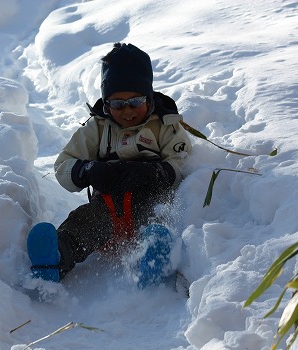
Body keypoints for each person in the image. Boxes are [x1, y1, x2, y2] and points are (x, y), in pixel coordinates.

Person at [27, 42, 191, 287]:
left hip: (149, 201)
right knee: (85, 222)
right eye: (116, 104)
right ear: (106, 103)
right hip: (107, 208)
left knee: (156, 218)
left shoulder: (165, 125)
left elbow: (182, 161)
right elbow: (63, 163)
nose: (126, 111)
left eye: (135, 102)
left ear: (149, 97)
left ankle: (156, 257)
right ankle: (56, 257)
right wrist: (86, 171)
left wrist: (157, 172)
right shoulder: (97, 128)